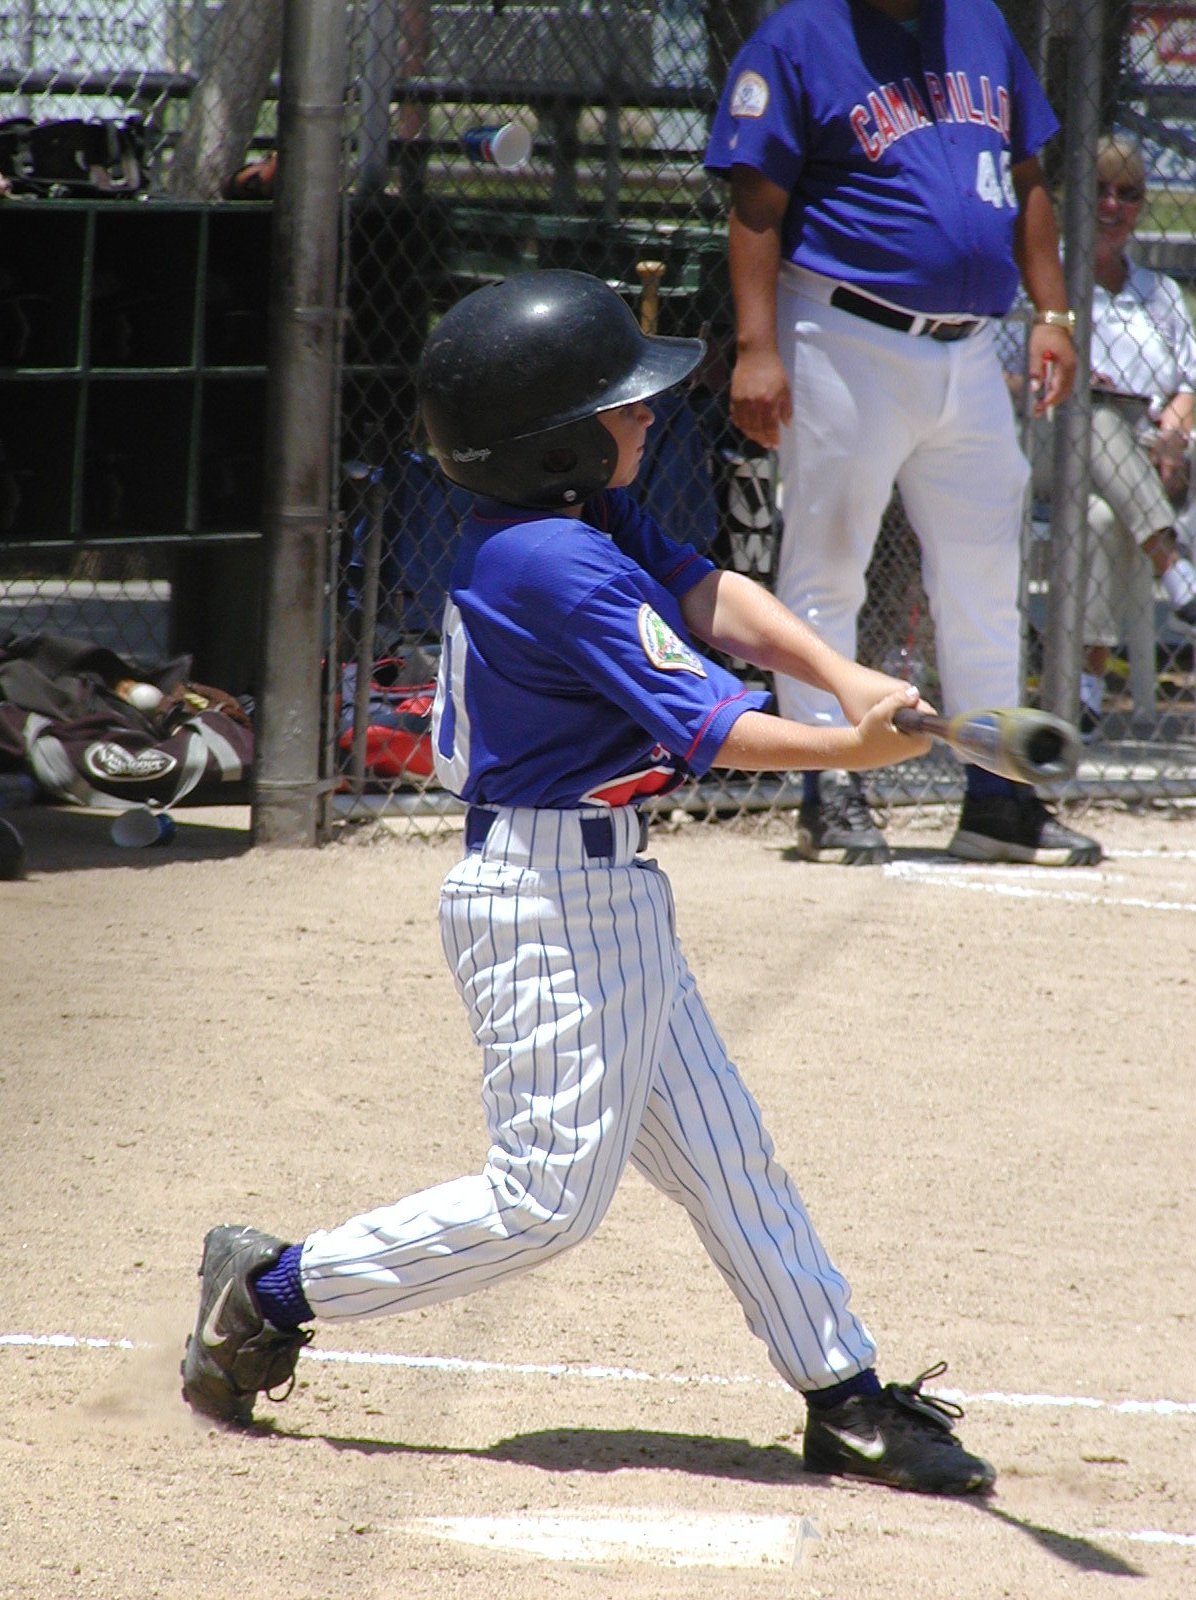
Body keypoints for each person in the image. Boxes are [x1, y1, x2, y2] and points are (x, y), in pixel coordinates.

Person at [181, 268, 996, 1497]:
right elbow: (714, 728)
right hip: (545, 904)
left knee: (725, 1156)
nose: (649, 414)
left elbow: (713, 593)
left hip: (604, 891)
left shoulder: (576, 520)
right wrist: (849, 750)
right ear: (553, 441)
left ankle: (847, 1397)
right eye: (621, 404)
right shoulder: (551, 563)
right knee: (546, 1202)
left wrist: (847, 677)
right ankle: (272, 1288)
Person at [704, 0, 1102, 867]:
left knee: (986, 578)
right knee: (828, 563)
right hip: (842, 329)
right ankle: (830, 786)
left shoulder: (978, 22)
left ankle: (998, 796)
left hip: (971, 348)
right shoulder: (800, 37)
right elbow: (756, 201)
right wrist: (757, 347)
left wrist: (1053, 312)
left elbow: (1026, 174)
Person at [1005, 133, 1196, 736]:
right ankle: (1171, 561)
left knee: (1099, 516)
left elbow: (1189, 384)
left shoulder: (1159, 293)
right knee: (1092, 410)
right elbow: (999, 370)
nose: (1113, 205)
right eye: (1099, 191)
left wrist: (1175, 433)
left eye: (1128, 193)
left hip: (1144, 452)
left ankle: (1083, 691)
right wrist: (1059, 379)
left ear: (1141, 205)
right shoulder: (1043, 276)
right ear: (1072, 200)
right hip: (1047, 435)